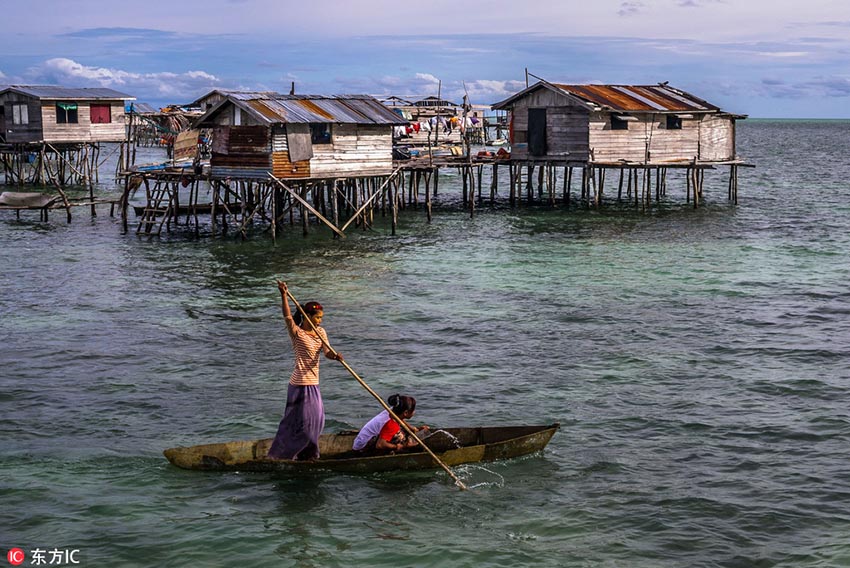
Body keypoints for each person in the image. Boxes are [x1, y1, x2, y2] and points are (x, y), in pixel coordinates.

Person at [267, 281, 343, 460]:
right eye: (317, 317)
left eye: (321, 318)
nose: (320, 321)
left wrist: (336, 356)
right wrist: (284, 295)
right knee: (298, 425)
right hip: (299, 385)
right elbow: (287, 317)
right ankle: (284, 455)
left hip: (314, 384)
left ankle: (308, 454)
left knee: (318, 422)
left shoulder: (321, 332)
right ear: (307, 316)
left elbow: (327, 352)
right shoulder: (297, 333)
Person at [352, 394, 429, 454]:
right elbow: (380, 445)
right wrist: (399, 446)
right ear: (406, 413)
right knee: (400, 437)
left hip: (362, 441)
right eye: (413, 410)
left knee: (401, 431)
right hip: (363, 448)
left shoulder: (393, 411)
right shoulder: (391, 423)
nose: (414, 412)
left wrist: (412, 428)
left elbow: (400, 419)